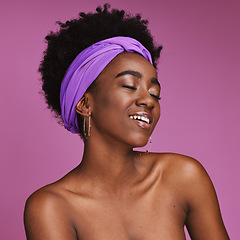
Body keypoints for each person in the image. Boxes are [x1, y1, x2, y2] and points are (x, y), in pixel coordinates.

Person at [24, 4, 229, 240]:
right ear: (84, 104)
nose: (148, 101)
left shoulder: (183, 177)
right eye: (129, 86)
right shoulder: (51, 207)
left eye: (154, 93)